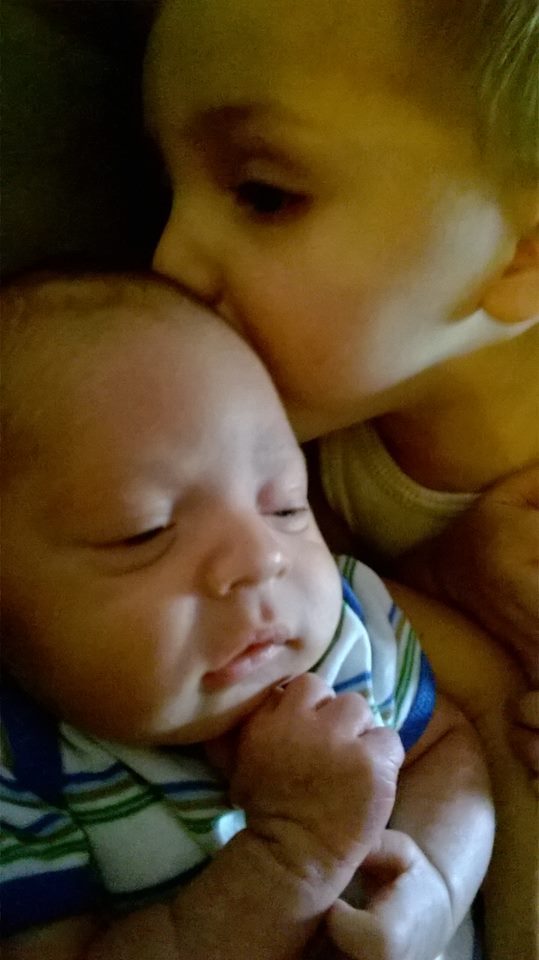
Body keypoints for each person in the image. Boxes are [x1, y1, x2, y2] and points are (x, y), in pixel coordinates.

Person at [1, 271, 494, 960]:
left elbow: (449, 754)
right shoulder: (23, 775)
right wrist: (289, 852)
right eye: (145, 531)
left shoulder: (349, 636)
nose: (262, 559)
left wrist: (437, 884)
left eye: (285, 504)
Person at [144, 0, 539, 771]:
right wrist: (444, 573)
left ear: (522, 253)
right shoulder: (282, 459)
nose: (167, 266)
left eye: (263, 194)